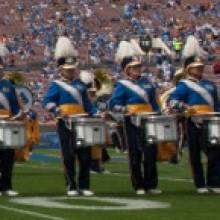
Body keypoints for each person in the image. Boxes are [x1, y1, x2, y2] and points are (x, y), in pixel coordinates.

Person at [43, 36, 97, 196]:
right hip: (65, 123)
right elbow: (47, 102)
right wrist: (58, 111)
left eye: (72, 68)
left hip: (82, 121)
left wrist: (96, 113)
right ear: (61, 70)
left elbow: (87, 105)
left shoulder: (80, 85)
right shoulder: (56, 85)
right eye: (68, 69)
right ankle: (71, 186)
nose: (71, 71)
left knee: (85, 155)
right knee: (68, 156)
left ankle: (84, 186)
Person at [109, 40, 161, 195]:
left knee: (151, 152)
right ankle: (138, 185)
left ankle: (151, 184)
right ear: (127, 70)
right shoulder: (122, 85)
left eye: (139, 66)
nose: (138, 69)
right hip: (131, 120)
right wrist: (126, 109)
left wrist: (158, 113)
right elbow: (113, 104)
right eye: (134, 67)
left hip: (148, 119)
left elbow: (154, 103)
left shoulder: (148, 83)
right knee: (135, 153)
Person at [168, 39, 220, 193]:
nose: (200, 70)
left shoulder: (210, 85)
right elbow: (172, 101)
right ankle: (200, 184)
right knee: (195, 153)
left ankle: (214, 182)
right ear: (189, 69)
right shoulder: (183, 85)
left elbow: (216, 105)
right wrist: (184, 106)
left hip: (211, 121)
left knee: (215, 152)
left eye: (201, 67)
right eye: (196, 68)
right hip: (193, 121)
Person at [0, 61, 25, 196]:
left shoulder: (8, 85)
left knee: (8, 157)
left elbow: (15, 107)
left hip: (7, 124)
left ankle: (6, 187)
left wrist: (20, 114)